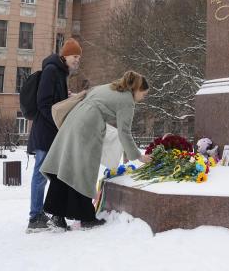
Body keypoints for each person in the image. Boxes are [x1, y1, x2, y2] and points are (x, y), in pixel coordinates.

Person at [40, 71, 153, 228]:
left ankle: (57, 216)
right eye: (144, 94)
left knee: (66, 165)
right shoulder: (127, 100)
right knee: (84, 170)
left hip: (73, 120)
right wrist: (138, 155)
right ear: (137, 89)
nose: (143, 98)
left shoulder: (110, 87)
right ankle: (86, 218)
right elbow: (124, 132)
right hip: (88, 126)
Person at [25, 38, 82, 232]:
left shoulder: (60, 72)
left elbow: (53, 100)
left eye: (78, 57)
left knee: (54, 174)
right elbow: (43, 103)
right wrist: (58, 121)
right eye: (75, 56)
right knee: (41, 174)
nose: (77, 60)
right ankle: (34, 218)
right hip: (45, 132)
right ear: (65, 55)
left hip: (53, 132)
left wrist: (66, 98)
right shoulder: (51, 71)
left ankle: (53, 214)